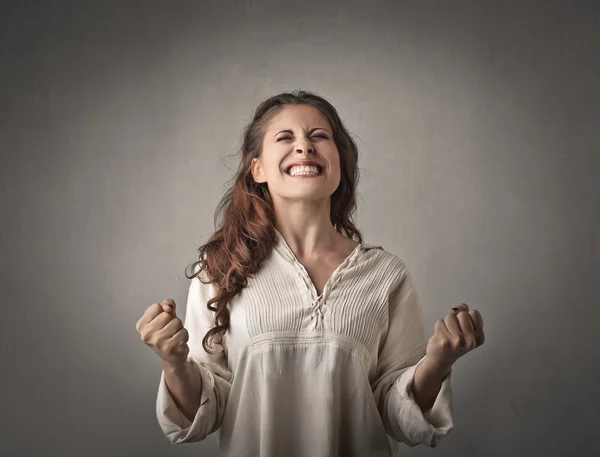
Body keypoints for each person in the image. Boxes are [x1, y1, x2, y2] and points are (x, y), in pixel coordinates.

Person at [135, 90, 485, 457]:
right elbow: (203, 415)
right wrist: (173, 362)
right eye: (285, 138)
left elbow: (398, 417)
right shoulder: (222, 269)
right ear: (258, 169)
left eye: (319, 136)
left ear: (340, 162)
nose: (304, 147)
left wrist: (438, 361)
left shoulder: (386, 275)